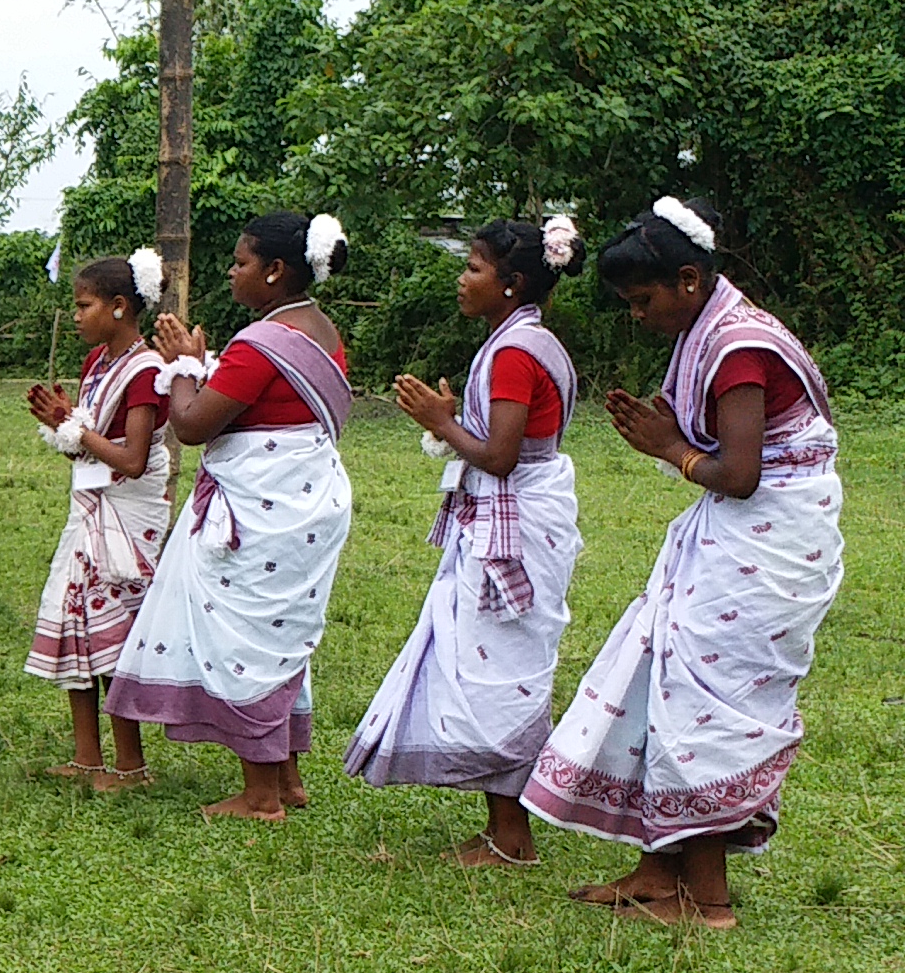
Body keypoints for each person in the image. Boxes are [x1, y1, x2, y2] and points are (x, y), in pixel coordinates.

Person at [525, 197, 844, 930]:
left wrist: (669, 448)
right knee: (658, 676)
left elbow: (738, 474)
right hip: (733, 537)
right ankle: (656, 870)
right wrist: (671, 439)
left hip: (768, 540)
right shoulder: (711, 329)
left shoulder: (739, 345)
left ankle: (709, 903)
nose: (638, 316)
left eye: (643, 301)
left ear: (690, 281)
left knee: (701, 699)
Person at [346, 218, 588, 862]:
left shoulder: (513, 352)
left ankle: (512, 835)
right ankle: (503, 825)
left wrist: (440, 421)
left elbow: (501, 456)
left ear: (510, 285)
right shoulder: (532, 341)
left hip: (512, 522)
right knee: (498, 661)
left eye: (475, 268)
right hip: (523, 515)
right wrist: (455, 421)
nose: (463, 278)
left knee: (499, 668)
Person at [106, 211, 357, 822]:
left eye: (241, 262)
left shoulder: (260, 343)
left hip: (261, 509)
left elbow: (191, 425)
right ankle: (287, 778)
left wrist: (184, 367)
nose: (231, 271)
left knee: (244, 635)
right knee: (281, 633)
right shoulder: (321, 331)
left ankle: (261, 795)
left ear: (275, 271)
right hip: (306, 501)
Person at [22, 252, 173, 790]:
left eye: (85, 306)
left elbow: (131, 459)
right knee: (77, 624)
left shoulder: (146, 370)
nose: (78, 315)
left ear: (118, 306)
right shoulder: (96, 366)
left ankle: (131, 765)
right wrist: (65, 428)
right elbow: (85, 451)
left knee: (115, 635)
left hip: (127, 515)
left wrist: (74, 428)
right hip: (89, 508)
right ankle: (88, 755)